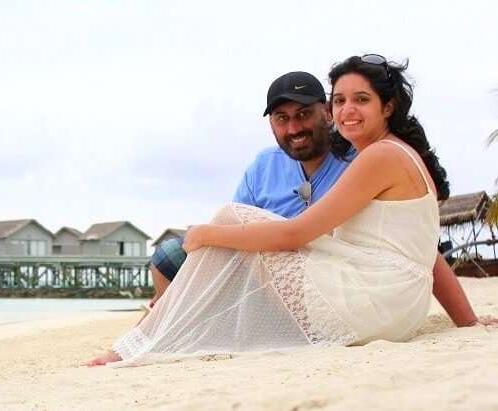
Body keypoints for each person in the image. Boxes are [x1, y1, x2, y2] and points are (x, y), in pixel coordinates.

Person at [88, 55, 490, 367]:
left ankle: (139, 343)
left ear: (388, 107)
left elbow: (296, 234)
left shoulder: (376, 158)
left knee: (227, 218)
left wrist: (205, 235)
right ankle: (158, 328)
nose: (348, 110)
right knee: (194, 248)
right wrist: (467, 323)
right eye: (341, 100)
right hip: (392, 306)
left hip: (373, 302)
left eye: (362, 100)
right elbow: (419, 249)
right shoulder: (392, 154)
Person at [147, 71, 486, 330]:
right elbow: (234, 239)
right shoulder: (263, 166)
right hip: (269, 275)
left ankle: (165, 325)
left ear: (325, 113)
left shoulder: (359, 160)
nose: (294, 127)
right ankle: (163, 316)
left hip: (334, 281)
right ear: (271, 125)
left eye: (304, 114)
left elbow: (417, 245)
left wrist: (466, 320)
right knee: (170, 254)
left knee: (212, 235)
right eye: (282, 118)